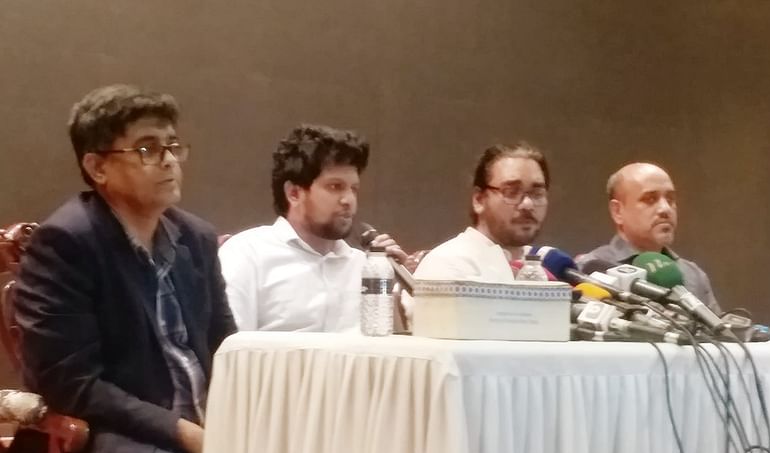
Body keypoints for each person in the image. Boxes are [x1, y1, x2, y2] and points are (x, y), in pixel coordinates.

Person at [0, 84, 236, 453]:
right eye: (147, 148)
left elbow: (226, 345)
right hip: (106, 439)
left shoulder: (196, 239)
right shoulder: (67, 243)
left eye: (172, 146)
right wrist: (181, 431)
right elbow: (71, 383)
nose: (167, 159)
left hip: (204, 422)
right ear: (97, 167)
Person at [219, 124, 406, 332]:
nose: (349, 200)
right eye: (335, 187)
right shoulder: (247, 254)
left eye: (354, 189)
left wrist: (388, 282)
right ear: (294, 193)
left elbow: (393, 352)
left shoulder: (364, 266)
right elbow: (232, 349)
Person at [579, 162, 720, 312]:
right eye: (650, 199)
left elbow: (721, 334)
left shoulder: (693, 274)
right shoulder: (590, 269)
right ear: (617, 212)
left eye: (670, 199)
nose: (665, 209)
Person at [414, 141, 550, 281]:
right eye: (511, 192)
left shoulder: (549, 267)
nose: (528, 204)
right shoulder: (449, 266)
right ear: (479, 200)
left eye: (537, 193)